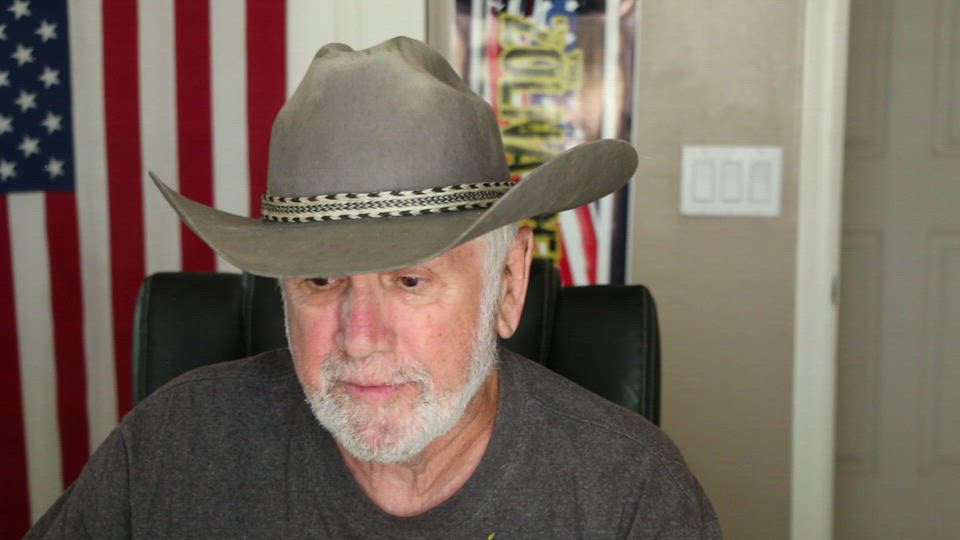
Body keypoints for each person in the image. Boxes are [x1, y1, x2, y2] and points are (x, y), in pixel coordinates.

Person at [27, 37, 721, 538]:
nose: (359, 338)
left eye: (411, 279)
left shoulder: (630, 497)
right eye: (320, 279)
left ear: (508, 285)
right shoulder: (169, 451)